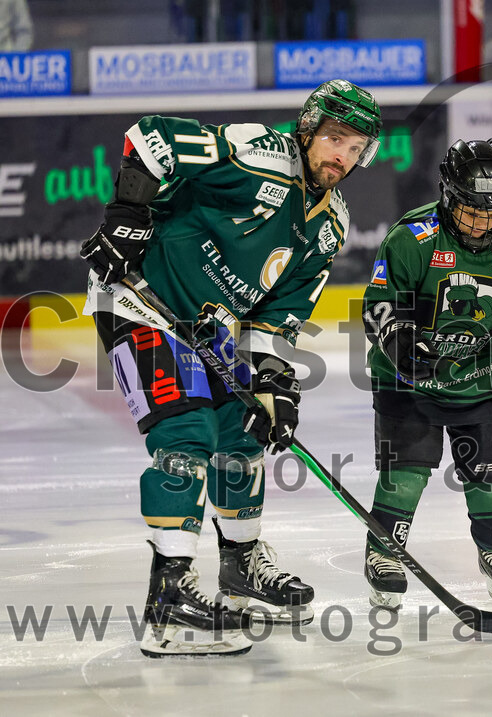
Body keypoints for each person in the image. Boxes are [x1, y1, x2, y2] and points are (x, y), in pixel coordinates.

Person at [79, 80, 383, 656]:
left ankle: (240, 565)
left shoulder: (330, 222)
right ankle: (168, 597)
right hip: (141, 301)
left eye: (355, 147)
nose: (342, 157)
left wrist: (271, 382)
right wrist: (126, 214)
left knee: (245, 431)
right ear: (309, 128)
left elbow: (279, 311)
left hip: (210, 333)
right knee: (186, 432)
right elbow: (150, 137)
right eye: (335, 139)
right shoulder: (256, 152)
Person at [360, 139, 492, 611]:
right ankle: (384, 552)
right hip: (405, 380)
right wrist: (399, 342)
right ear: (447, 195)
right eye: (472, 211)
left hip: (478, 374)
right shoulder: (411, 238)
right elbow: (380, 303)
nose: (484, 222)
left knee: (490, 470)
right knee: (405, 473)